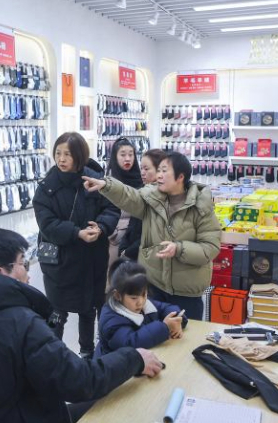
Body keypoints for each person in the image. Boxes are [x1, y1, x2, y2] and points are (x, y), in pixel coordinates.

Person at [0, 228, 164, 423]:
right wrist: (134, 359)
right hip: (27, 416)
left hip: (4, 413)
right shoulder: (19, 322)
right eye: (22, 263)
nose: (28, 272)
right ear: (1, 273)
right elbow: (79, 381)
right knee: (122, 401)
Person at [82, 151, 220, 320]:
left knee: (185, 339)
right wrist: (106, 186)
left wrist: (179, 248)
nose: (158, 175)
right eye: (159, 170)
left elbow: (210, 248)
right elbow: (128, 196)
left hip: (187, 293)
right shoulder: (152, 199)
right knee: (154, 339)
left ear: (180, 177)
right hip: (153, 287)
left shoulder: (201, 206)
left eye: (164, 171)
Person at [33, 132, 120, 359]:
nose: (61, 159)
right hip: (59, 261)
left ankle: (87, 353)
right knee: (56, 310)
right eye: (58, 153)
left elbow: (112, 209)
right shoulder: (46, 187)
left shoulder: (95, 180)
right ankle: (53, 356)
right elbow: (47, 223)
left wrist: (100, 227)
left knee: (88, 308)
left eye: (67, 154)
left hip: (91, 258)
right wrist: (76, 233)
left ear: (79, 156)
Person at [95, 258, 187, 357]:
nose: (141, 302)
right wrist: (164, 327)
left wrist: (176, 319)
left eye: (144, 294)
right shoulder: (111, 320)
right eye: (134, 298)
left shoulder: (144, 303)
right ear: (117, 295)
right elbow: (130, 343)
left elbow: (165, 308)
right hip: (113, 369)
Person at [118, 148, 166, 260]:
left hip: (148, 257)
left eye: (146, 169)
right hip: (132, 253)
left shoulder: (162, 197)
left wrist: (128, 252)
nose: (142, 172)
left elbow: (152, 235)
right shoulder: (141, 192)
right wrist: (123, 248)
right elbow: (132, 224)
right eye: (141, 168)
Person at [106, 137, 143, 264]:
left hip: (136, 241)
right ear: (115, 157)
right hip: (114, 240)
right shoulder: (108, 183)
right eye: (122, 155)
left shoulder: (141, 179)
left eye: (130, 154)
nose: (127, 158)